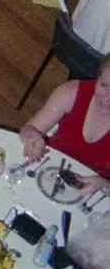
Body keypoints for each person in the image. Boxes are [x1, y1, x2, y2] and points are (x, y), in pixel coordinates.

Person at [20, 54, 110, 184]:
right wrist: (32, 135)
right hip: (47, 173)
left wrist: (105, 184)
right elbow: (29, 129)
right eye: (104, 85)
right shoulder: (71, 92)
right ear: (98, 77)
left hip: (94, 196)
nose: (107, 98)